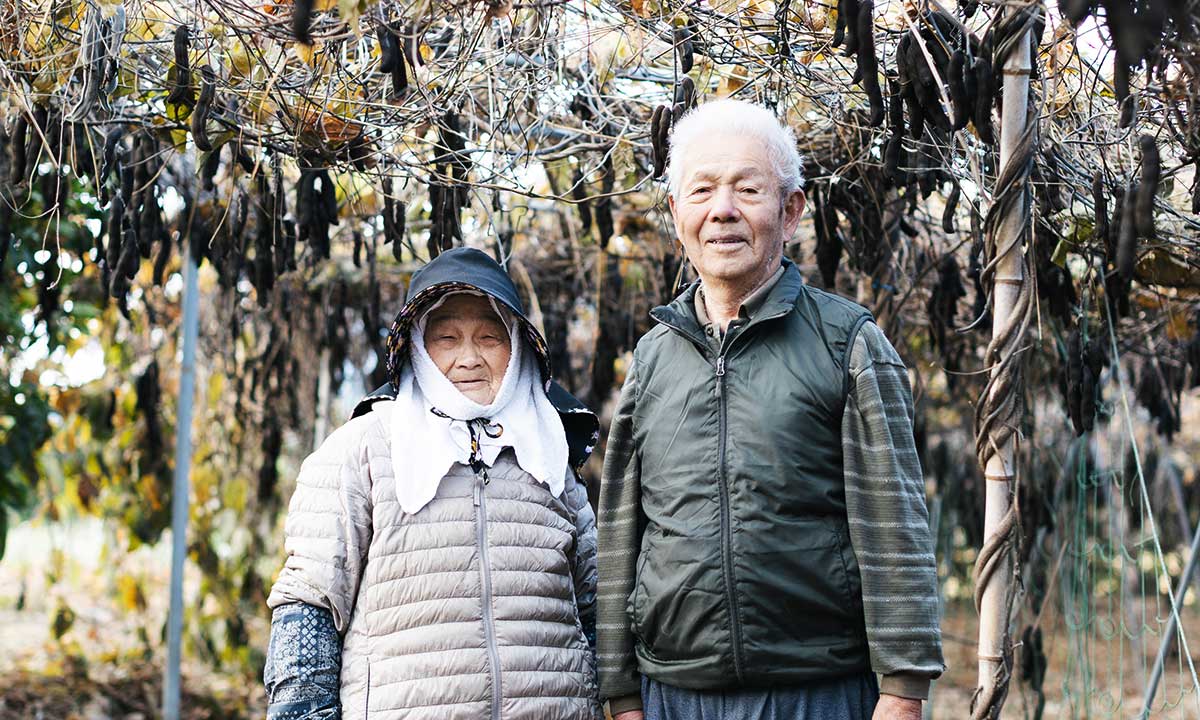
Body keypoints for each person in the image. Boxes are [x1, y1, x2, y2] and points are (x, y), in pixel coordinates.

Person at [597, 99, 945, 720]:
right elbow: (622, 528)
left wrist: (903, 686)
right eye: (701, 190)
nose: (722, 209)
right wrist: (620, 691)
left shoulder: (848, 344)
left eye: (747, 189)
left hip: (817, 691)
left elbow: (893, 524)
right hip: (674, 696)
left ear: (789, 213)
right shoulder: (653, 358)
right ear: (677, 215)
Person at [264, 247, 603, 720]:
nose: (469, 358)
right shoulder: (361, 450)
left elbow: (593, 609)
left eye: (490, 337)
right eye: (446, 338)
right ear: (417, 347)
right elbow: (309, 605)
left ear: (517, 349)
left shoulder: (549, 458)